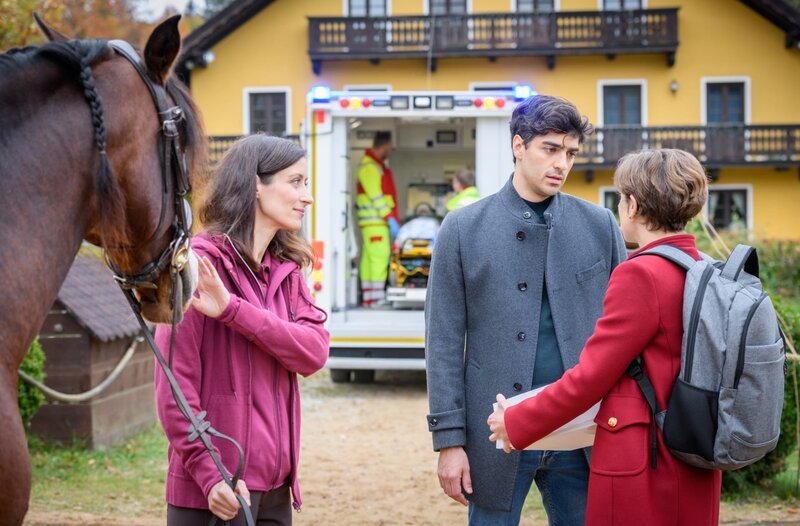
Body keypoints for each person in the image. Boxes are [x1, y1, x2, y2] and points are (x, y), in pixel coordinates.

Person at [488, 149, 720, 525]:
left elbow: (591, 378)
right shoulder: (703, 268)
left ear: (633, 206)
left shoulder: (640, 275)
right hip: (693, 449)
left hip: (645, 457)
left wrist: (516, 421)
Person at [425, 94, 627, 525]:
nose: (561, 163)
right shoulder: (462, 229)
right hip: (496, 433)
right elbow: (442, 340)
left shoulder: (600, 225)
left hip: (583, 431)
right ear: (519, 146)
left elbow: (626, 333)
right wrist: (449, 441)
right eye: (550, 149)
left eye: (570, 152)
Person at [154, 134, 330, 525]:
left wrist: (234, 310)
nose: (307, 197)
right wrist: (210, 471)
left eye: (307, 184)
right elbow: (173, 386)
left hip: (276, 490)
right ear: (255, 184)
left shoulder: (287, 269)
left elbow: (314, 352)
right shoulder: (201, 265)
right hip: (215, 493)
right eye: (296, 182)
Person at [356, 131, 400, 307]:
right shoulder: (370, 167)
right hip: (376, 221)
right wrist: (389, 217)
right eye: (390, 146)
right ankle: (376, 298)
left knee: (369, 259)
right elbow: (376, 196)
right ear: (384, 144)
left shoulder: (374, 166)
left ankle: (369, 297)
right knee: (380, 258)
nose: (392, 149)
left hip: (372, 222)